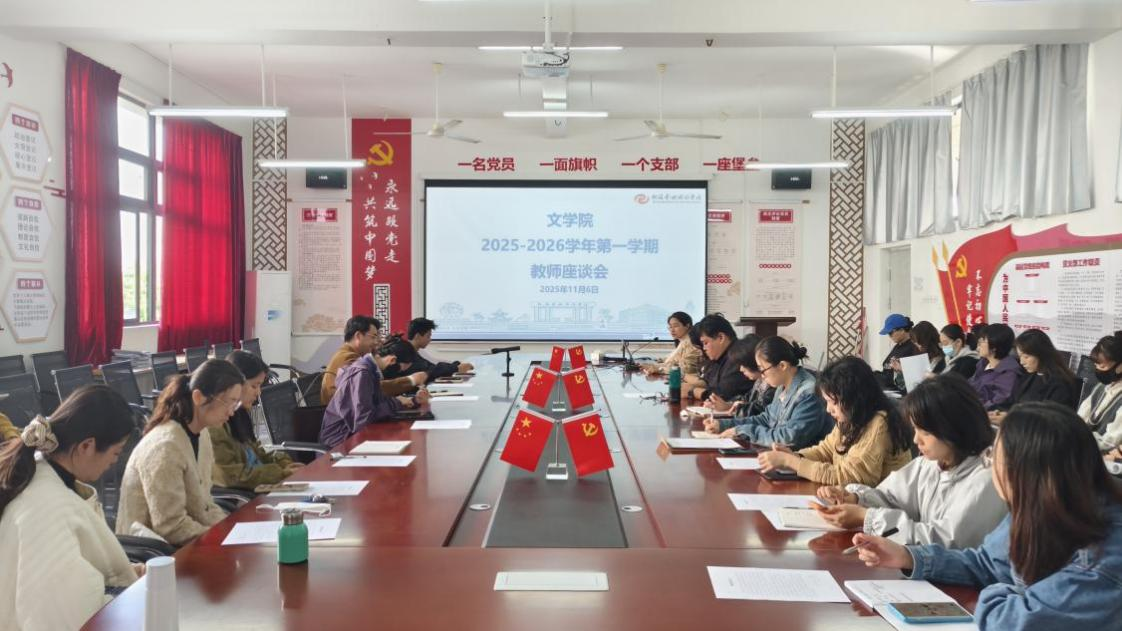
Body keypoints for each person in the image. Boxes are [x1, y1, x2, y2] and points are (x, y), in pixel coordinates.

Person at [853, 402, 1122, 630]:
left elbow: (1009, 620)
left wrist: (1007, 592)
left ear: (1026, 472)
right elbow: (986, 564)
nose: (990, 465)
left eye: (995, 455)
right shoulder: (1042, 507)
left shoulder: (1103, 562)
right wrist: (908, 557)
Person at [0, 386, 141, 630]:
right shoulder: (47, 508)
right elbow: (69, 617)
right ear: (87, 446)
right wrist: (131, 594)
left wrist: (128, 574)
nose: (114, 462)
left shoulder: (38, 471)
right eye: (116, 453)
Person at [814, 373, 1006, 548]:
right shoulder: (933, 462)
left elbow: (943, 541)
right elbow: (891, 498)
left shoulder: (988, 478)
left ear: (954, 428)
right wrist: (856, 499)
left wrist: (866, 517)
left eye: (925, 432)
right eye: (915, 430)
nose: (916, 440)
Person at [116, 359, 244, 546]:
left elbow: (204, 506)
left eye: (236, 404)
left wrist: (232, 529)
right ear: (198, 397)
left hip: (188, 542)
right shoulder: (165, 446)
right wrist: (222, 537)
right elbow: (170, 527)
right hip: (155, 552)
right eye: (229, 402)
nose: (232, 413)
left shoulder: (202, 434)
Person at [758, 356, 912, 486]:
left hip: (877, 508)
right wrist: (795, 456)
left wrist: (792, 463)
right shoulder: (851, 418)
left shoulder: (879, 423)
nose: (828, 409)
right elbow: (825, 450)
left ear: (855, 398)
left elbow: (852, 478)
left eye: (833, 402)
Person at [705, 337, 831, 449]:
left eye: (762, 369)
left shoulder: (809, 393)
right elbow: (766, 419)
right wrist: (724, 425)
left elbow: (789, 438)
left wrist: (743, 431)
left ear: (782, 365)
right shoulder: (782, 386)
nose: (762, 375)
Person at [211, 351, 304, 491]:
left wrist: (284, 463)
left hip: (260, 487)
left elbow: (257, 453)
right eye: (254, 386)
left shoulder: (240, 415)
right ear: (234, 385)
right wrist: (281, 473)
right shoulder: (215, 426)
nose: (259, 392)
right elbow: (231, 476)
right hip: (246, 495)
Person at [319, 352, 429, 448]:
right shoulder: (362, 373)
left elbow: (378, 403)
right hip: (340, 443)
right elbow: (364, 420)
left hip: (352, 436)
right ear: (391, 359)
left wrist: (413, 401)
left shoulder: (369, 371)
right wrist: (397, 402)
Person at [321, 315, 426, 404]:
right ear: (358, 336)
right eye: (373, 337)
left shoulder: (348, 354)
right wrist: (411, 380)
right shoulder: (348, 358)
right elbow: (371, 388)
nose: (376, 342)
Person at [989, 329, 1078, 424]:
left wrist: (1011, 419)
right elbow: (1017, 404)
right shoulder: (1030, 375)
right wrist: (1001, 413)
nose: (1022, 362)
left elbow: (1050, 421)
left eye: (1026, 357)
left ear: (1041, 354)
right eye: (1020, 356)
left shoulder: (1060, 384)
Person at [381, 317, 474, 382]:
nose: (430, 339)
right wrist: (456, 368)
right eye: (428, 336)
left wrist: (456, 365)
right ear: (418, 336)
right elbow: (429, 370)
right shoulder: (403, 350)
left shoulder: (411, 349)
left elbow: (430, 366)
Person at [705, 335, 774, 417]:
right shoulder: (759, 382)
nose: (741, 369)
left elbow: (759, 411)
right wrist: (727, 404)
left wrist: (729, 407)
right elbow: (746, 399)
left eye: (743, 365)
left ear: (753, 362)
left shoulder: (773, 385)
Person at [688, 313, 752, 401]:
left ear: (721, 338)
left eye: (705, 343)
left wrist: (692, 391)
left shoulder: (738, 356)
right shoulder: (719, 357)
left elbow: (724, 395)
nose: (704, 348)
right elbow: (707, 382)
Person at [1078, 332, 1122, 454]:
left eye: (1102, 367)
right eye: (1096, 366)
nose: (1098, 370)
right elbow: (1080, 418)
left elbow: (1110, 442)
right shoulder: (1101, 388)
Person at [969, 323, 1022, 411]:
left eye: (982, 341)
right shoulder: (983, 362)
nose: (978, 344)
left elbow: (997, 402)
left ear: (994, 346)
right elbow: (971, 383)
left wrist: (971, 406)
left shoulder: (1009, 372)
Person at [641, 311, 703, 380]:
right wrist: (653, 365)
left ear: (687, 326)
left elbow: (686, 369)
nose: (672, 330)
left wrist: (659, 369)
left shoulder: (691, 344)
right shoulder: (682, 342)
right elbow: (673, 362)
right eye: (670, 327)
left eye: (675, 326)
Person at [890, 321, 945, 391]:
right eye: (915, 343)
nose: (918, 346)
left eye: (920, 342)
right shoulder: (919, 355)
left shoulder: (942, 360)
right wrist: (902, 369)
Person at [877, 313, 918, 388]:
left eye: (891, 333)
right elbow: (887, 368)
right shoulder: (898, 346)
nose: (889, 336)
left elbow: (915, 377)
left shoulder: (913, 348)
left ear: (902, 330)